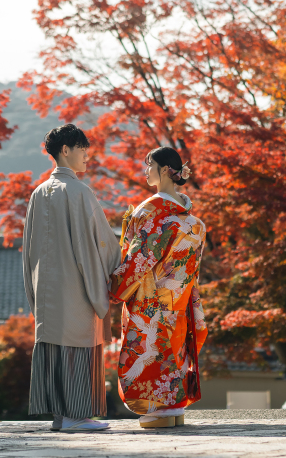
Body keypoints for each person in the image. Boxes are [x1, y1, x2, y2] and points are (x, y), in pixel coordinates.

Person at [23, 124, 122, 432]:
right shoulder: (79, 191)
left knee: (55, 347)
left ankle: (60, 416)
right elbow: (100, 241)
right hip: (76, 284)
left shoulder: (38, 192)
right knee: (78, 345)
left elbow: (29, 247)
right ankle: (76, 416)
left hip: (47, 288)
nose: (86, 156)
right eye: (82, 149)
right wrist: (120, 266)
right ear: (65, 150)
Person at [109, 146, 208, 428]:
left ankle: (158, 410)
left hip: (150, 301)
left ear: (165, 170)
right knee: (174, 350)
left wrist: (115, 288)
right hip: (180, 299)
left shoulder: (150, 211)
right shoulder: (193, 221)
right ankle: (174, 408)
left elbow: (138, 258)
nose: (145, 171)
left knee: (150, 349)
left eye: (149, 165)